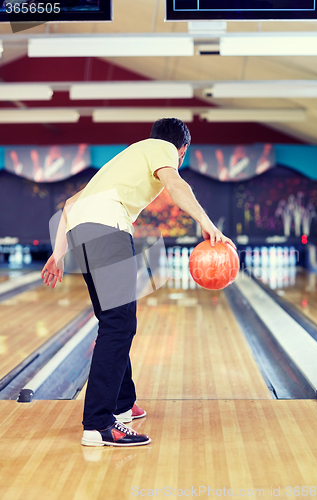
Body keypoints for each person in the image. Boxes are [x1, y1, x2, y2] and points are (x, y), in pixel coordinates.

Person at [41, 118, 235, 448]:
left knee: (113, 320)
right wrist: (206, 223)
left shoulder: (127, 157)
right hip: (107, 228)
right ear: (183, 150)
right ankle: (100, 424)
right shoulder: (164, 151)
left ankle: (121, 403)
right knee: (120, 323)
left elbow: (70, 205)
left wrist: (57, 254)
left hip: (81, 232)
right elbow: (176, 186)